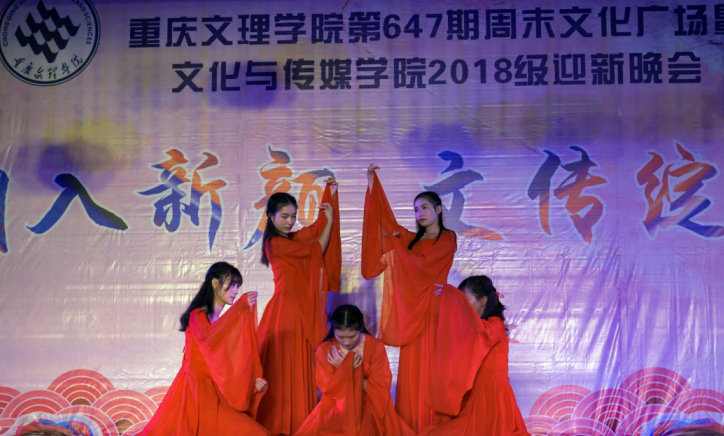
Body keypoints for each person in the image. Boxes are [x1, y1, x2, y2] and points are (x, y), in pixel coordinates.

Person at [361, 164, 457, 432]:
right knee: (413, 368)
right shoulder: (412, 240)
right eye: (416, 210)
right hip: (413, 310)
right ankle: (411, 426)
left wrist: (397, 244)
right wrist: (373, 187)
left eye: (424, 207)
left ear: (438, 209)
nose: (420, 213)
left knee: (432, 368)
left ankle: (432, 425)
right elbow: (386, 226)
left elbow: (422, 265)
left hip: (435, 309)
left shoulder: (448, 238)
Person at [139, 262, 269, 436]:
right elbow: (209, 338)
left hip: (216, 392)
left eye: (237, 286)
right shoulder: (197, 316)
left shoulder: (219, 323)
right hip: (197, 393)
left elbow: (228, 362)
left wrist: (253, 385)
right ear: (215, 283)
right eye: (232, 285)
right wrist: (239, 309)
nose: (236, 291)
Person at [256, 177, 342, 436]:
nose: (290, 221)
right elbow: (316, 249)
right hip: (286, 311)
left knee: (299, 366)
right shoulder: (275, 243)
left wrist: (330, 195)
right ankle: (280, 426)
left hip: (297, 309)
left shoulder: (292, 239)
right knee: (284, 370)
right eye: (284, 216)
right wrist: (330, 222)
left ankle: (299, 424)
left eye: (293, 216)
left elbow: (314, 229)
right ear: (271, 216)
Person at [421, 276, 529, 436]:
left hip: (492, 401)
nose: (461, 306)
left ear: (483, 300)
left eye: (465, 300)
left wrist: (452, 295)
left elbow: (478, 332)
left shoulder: (495, 324)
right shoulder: (474, 328)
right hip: (475, 398)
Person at [296, 305, 414, 436]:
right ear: (333, 330)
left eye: (352, 336)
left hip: (368, 401)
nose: (347, 342)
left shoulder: (375, 346)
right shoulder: (324, 349)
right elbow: (328, 389)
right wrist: (347, 369)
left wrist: (347, 370)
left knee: (365, 428)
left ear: (361, 328)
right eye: (341, 337)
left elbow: (380, 387)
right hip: (336, 401)